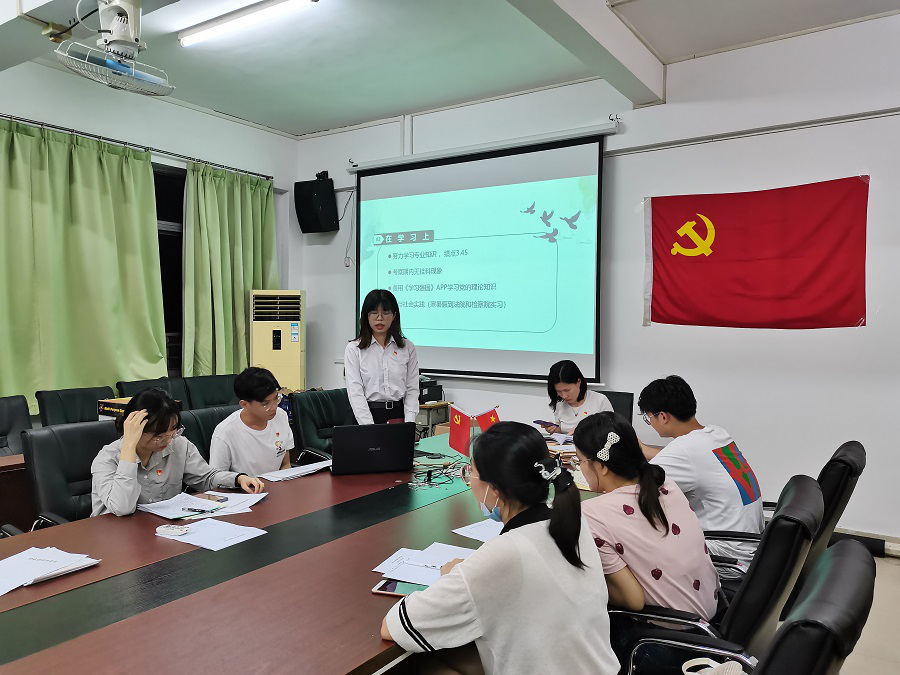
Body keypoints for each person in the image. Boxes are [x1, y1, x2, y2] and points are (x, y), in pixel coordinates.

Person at [380, 422, 620, 675]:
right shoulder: (573, 522)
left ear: (493, 488)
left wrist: (451, 577)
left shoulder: (503, 554)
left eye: (470, 472)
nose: (469, 481)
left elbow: (393, 627)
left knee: (424, 663)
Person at [574, 412, 721, 673]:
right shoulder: (666, 484)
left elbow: (632, 601)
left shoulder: (593, 514)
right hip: (710, 624)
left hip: (665, 644)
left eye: (581, 461)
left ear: (602, 466)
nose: (581, 468)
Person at [637, 375, 763, 574]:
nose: (650, 422)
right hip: (751, 545)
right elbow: (688, 460)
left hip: (725, 556)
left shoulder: (684, 449)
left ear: (663, 416)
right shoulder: (716, 434)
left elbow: (636, 486)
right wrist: (643, 449)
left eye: (648, 417)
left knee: (635, 542)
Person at [91, 388, 265, 517]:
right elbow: (122, 508)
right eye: (159, 436)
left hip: (161, 531)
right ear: (136, 430)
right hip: (115, 539)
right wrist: (129, 447)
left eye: (173, 432)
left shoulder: (178, 445)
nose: (168, 441)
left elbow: (206, 478)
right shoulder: (107, 459)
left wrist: (238, 478)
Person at [345, 289, 419, 425]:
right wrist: (370, 428)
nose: (380, 318)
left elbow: (412, 389)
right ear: (366, 316)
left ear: (394, 315)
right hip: (366, 417)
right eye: (374, 312)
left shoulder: (407, 347)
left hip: (398, 416)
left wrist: (409, 423)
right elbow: (355, 393)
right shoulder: (354, 349)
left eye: (385, 312)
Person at [209, 367, 294, 475]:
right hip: (245, 485)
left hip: (277, 483)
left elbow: (285, 464)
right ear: (244, 404)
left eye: (276, 399)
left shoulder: (280, 416)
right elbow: (216, 478)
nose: (274, 407)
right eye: (265, 404)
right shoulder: (225, 432)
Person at [543, 359, 612, 434]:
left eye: (567, 390)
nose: (564, 396)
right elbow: (564, 433)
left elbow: (611, 432)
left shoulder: (600, 401)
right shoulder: (560, 404)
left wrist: (582, 431)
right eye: (559, 391)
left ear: (578, 382)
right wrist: (556, 430)